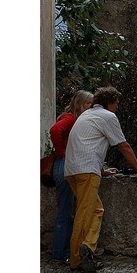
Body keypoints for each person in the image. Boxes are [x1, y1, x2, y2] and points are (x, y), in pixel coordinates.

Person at [64, 86, 137, 272]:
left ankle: (87, 246)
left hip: (73, 169)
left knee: (96, 210)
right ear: (109, 102)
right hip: (86, 171)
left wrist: (101, 170)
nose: (117, 107)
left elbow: (85, 143)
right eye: (117, 103)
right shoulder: (107, 116)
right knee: (84, 214)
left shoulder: (86, 115)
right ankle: (77, 258)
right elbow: (124, 146)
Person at [49, 90, 94, 262]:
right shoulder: (70, 118)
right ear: (81, 104)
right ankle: (62, 253)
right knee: (66, 211)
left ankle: (63, 252)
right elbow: (55, 131)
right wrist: (62, 153)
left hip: (66, 165)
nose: (91, 107)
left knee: (67, 209)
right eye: (89, 103)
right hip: (64, 165)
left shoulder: (74, 119)